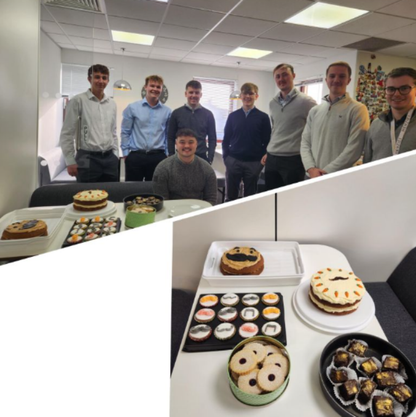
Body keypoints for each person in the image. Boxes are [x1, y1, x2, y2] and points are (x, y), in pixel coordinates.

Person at [301, 61, 370, 178]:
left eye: (342, 76)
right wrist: (311, 168)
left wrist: (326, 172)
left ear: (348, 80)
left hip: (338, 177)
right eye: (332, 76)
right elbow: (305, 142)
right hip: (311, 175)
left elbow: (354, 148)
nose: (336, 80)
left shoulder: (357, 109)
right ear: (326, 80)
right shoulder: (315, 110)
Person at [59, 64, 119, 182]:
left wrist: (115, 154)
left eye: (104, 78)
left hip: (109, 159)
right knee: (87, 192)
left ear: (108, 81)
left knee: (111, 191)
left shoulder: (112, 104)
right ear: (89, 79)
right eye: (97, 77)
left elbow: (113, 132)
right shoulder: (78, 101)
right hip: (86, 157)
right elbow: (67, 133)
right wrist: (70, 161)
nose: (101, 81)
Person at [263, 63, 316, 190]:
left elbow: (316, 131)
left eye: (285, 75)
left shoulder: (307, 102)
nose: (281, 79)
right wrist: (268, 152)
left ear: (293, 76)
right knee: (272, 196)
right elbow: (276, 129)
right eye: (278, 76)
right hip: (272, 157)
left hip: (293, 159)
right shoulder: (272, 103)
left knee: (291, 197)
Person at [222, 83, 271, 201]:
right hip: (233, 161)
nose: (247, 96)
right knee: (230, 197)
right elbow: (226, 139)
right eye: (245, 93)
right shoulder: (233, 116)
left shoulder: (263, 117)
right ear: (241, 96)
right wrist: (226, 159)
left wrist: (260, 163)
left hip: (254, 163)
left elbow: (267, 141)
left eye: (251, 93)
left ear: (256, 96)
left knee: (250, 198)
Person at [121, 75, 171, 181]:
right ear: (145, 87)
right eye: (152, 86)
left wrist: (167, 154)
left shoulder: (167, 111)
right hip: (136, 156)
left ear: (161, 89)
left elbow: (168, 134)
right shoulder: (132, 108)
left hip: (158, 157)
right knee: (132, 189)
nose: (155, 89)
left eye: (158, 87)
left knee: (155, 189)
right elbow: (125, 131)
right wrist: (126, 153)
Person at [153, 128, 217, 206]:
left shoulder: (207, 169)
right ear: (176, 144)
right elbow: (162, 201)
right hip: (171, 211)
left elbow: (211, 200)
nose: (186, 146)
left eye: (191, 142)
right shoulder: (163, 168)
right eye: (182, 142)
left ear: (196, 144)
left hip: (198, 211)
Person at [364, 67, 416, 163]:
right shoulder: (376, 124)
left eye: (404, 88)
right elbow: (367, 161)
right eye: (391, 89)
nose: (396, 94)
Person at [168, 80, 217, 163]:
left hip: (201, 157)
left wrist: (210, 158)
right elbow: (170, 137)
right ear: (186, 94)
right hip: (181, 157)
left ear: (200, 95)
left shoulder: (208, 114)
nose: (194, 95)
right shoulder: (176, 113)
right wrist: (171, 156)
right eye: (191, 92)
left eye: (197, 93)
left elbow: (212, 138)